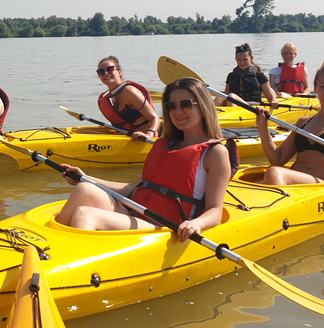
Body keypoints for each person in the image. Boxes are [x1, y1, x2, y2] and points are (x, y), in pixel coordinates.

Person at [55, 77, 234, 242]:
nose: (178, 112)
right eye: (172, 106)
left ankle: (73, 264)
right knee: (84, 189)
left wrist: (197, 224)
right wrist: (86, 177)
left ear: (203, 106)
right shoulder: (165, 145)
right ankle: (52, 248)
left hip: (164, 225)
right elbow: (135, 189)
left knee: (86, 214)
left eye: (186, 104)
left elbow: (215, 210)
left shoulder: (215, 152)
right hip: (136, 212)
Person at [96, 56, 160, 140]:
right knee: (84, 133)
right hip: (127, 137)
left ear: (119, 72)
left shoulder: (129, 91)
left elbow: (154, 118)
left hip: (144, 140)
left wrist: (149, 135)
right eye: (101, 71)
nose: (106, 73)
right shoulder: (113, 94)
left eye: (110, 69)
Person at [215, 43, 279, 108]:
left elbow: (270, 97)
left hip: (252, 108)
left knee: (231, 96)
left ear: (251, 58)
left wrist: (273, 101)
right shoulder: (231, 76)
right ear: (235, 59)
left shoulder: (259, 75)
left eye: (245, 59)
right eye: (239, 60)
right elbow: (226, 95)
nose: (242, 62)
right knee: (220, 97)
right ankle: (209, 116)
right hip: (235, 105)